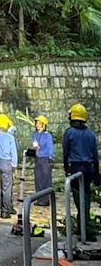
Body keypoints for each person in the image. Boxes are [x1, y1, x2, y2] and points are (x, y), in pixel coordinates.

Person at [62, 103, 99, 242]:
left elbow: (66, 153)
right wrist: (97, 173)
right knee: (86, 199)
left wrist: (66, 169)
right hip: (89, 169)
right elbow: (95, 155)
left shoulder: (69, 133)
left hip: (75, 168)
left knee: (79, 200)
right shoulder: (90, 133)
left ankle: (85, 230)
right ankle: (83, 228)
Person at [0, 114, 18, 218]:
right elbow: (14, 153)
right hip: (7, 164)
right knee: (6, 188)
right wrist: (14, 166)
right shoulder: (10, 137)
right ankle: (5, 211)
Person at [32, 115, 54, 206]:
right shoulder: (34, 134)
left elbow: (50, 147)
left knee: (46, 179)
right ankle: (39, 198)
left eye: (40, 123)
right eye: (37, 123)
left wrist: (50, 157)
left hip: (45, 158)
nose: (38, 125)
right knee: (38, 179)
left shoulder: (47, 135)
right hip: (38, 158)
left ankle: (46, 199)